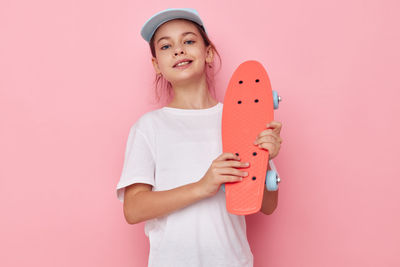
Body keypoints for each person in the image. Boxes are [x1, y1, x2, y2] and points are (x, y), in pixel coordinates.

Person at [116, 8, 283, 267]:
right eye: (166, 46)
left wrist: (266, 158)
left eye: (189, 41)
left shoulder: (240, 118)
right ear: (156, 65)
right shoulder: (149, 127)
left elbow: (267, 205)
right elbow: (133, 209)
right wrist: (202, 187)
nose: (179, 50)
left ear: (208, 53)